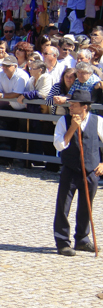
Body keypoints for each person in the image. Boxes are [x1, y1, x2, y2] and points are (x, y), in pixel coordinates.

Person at [52, 90, 101, 256]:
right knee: (63, 206)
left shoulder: (98, 121)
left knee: (86, 206)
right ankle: (62, 241)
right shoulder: (63, 121)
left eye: (74, 105)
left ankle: (82, 239)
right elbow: (59, 145)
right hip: (70, 170)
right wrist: (73, 128)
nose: (70, 107)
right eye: (70, 104)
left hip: (91, 171)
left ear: (84, 107)